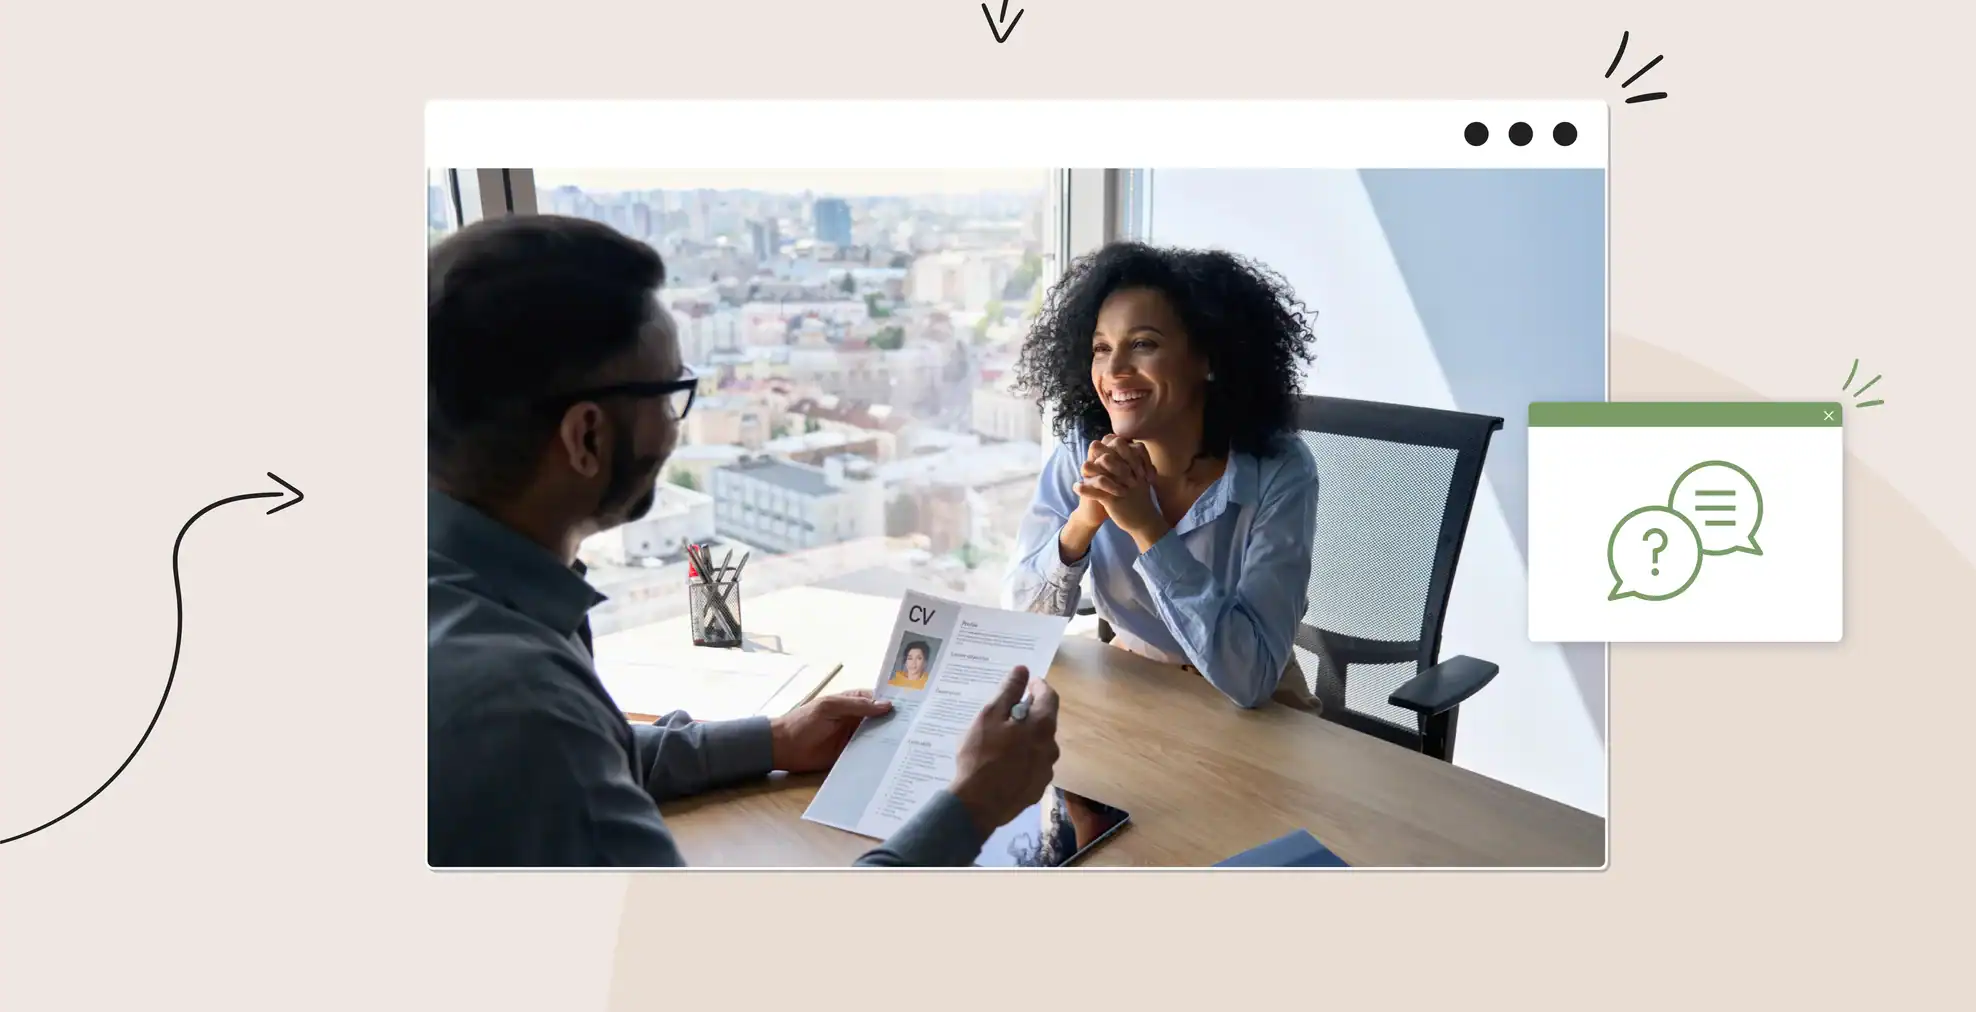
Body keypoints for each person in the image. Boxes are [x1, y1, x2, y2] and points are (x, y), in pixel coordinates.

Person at [429, 214, 1059, 867]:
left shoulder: (462, 601)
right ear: (586, 437)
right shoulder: (513, 705)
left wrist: (774, 740)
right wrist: (973, 804)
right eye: (672, 393)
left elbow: (582, 759)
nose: (676, 428)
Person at [1002, 241, 1319, 710]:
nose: (1114, 370)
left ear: (1208, 359)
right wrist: (1083, 522)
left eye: (1143, 345)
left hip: (1255, 708)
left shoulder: (1279, 470)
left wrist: (1147, 527)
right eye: (1101, 348)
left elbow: (1250, 676)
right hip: (1133, 683)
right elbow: (1022, 623)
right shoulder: (1082, 446)